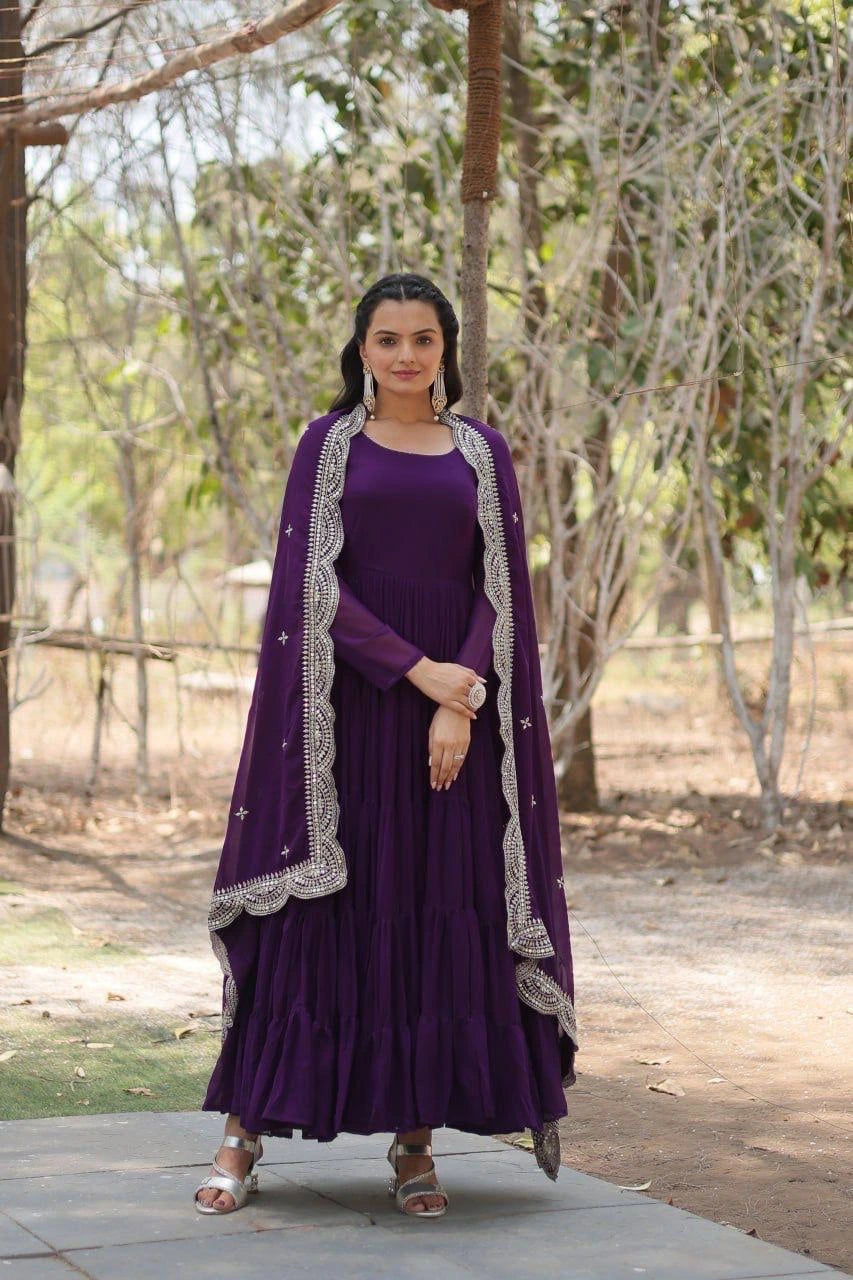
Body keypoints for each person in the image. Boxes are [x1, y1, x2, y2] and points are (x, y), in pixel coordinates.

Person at [194, 272, 578, 1220]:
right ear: (361, 352)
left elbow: (501, 591)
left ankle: (415, 1147)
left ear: (446, 349)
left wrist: (461, 694)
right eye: (386, 340)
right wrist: (417, 672)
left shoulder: (483, 454)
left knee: (436, 908)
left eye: (423, 339)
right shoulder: (327, 448)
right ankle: (242, 1140)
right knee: (321, 916)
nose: (406, 356)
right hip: (346, 719)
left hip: (458, 723)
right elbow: (310, 588)